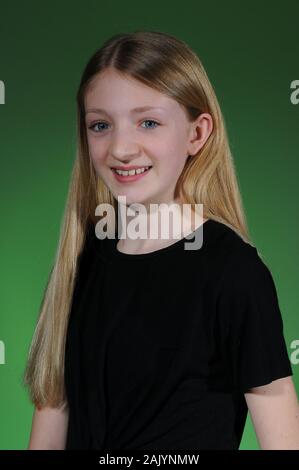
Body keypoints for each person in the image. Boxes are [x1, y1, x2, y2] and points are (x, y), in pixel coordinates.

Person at [24, 30, 299, 450]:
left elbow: (281, 431)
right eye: (101, 125)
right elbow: (53, 408)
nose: (120, 148)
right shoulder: (83, 261)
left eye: (148, 122)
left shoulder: (232, 271)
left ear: (197, 133)